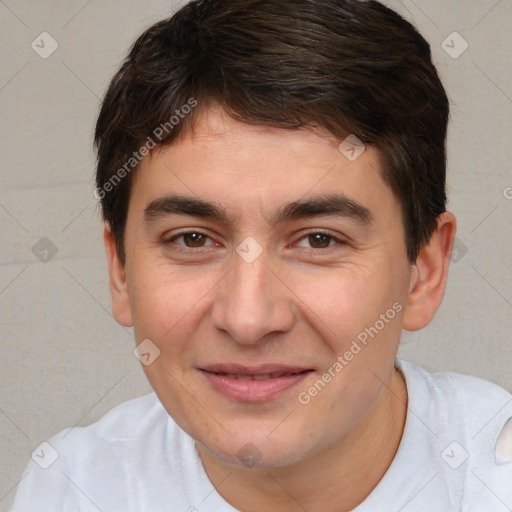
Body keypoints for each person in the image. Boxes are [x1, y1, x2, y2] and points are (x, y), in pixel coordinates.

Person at [10, 0, 512, 510]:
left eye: (319, 240)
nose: (248, 319)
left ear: (423, 272)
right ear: (120, 271)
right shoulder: (68, 490)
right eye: (192, 239)